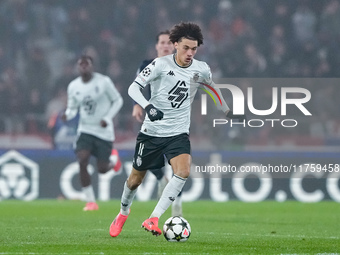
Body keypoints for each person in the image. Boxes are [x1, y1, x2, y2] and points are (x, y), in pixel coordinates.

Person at [110, 22, 244, 237]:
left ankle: (153, 218)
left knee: (182, 171)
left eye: (194, 49)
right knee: (135, 180)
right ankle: (123, 212)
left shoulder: (201, 69)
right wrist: (148, 106)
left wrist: (227, 112)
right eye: (186, 48)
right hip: (152, 132)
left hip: (178, 133)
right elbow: (133, 88)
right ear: (175, 45)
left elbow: (213, 90)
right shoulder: (159, 65)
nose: (190, 53)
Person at [62, 55, 123, 211]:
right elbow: (72, 108)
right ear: (77, 67)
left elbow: (118, 100)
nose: (83, 67)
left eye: (86, 64)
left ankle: (113, 161)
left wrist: (108, 118)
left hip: (103, 131)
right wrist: (67, 115)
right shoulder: (73, 86)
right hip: (85, 129)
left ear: (92, 66)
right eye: (80, 64)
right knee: (82, 159)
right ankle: (90, 201)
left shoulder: (103, 82)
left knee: (102, 169)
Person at [132, 30, 183, 216]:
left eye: (169, 42)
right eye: (162, 42)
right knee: (151, 161)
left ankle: (177, 206)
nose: (165, 45)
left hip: (176, 121)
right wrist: (137, 105)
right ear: (156, 46)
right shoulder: (147, 65)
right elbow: (138, 86)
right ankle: (162, 179)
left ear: (174, 45)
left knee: (179, 166)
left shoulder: (182, 66)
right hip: (153, 119)